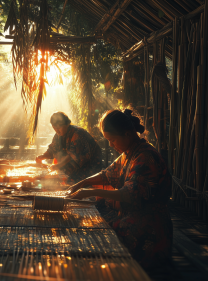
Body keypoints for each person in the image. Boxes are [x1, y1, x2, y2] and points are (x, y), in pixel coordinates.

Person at [67, 109, 173, 269]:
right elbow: (107, 175)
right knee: (93, 224)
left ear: (128, 134)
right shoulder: (130, 152)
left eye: (113, 140)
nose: (110, 145)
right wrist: (81, 183)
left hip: (149, 229)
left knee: (99, 235)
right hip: (132, 216)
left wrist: (89, 191)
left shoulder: (145, 157)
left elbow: (129, 194)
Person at [35, 111, 102, 183]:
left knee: (66, 181)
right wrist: (42, 157)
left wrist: (58, 166)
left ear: (66, 124)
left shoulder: (77, 134)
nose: (56, 130)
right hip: (73, 169)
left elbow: (71, 156)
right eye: (54, 128)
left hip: (89, 169)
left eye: (58, 127)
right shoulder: (58, 135)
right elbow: (52, 150)